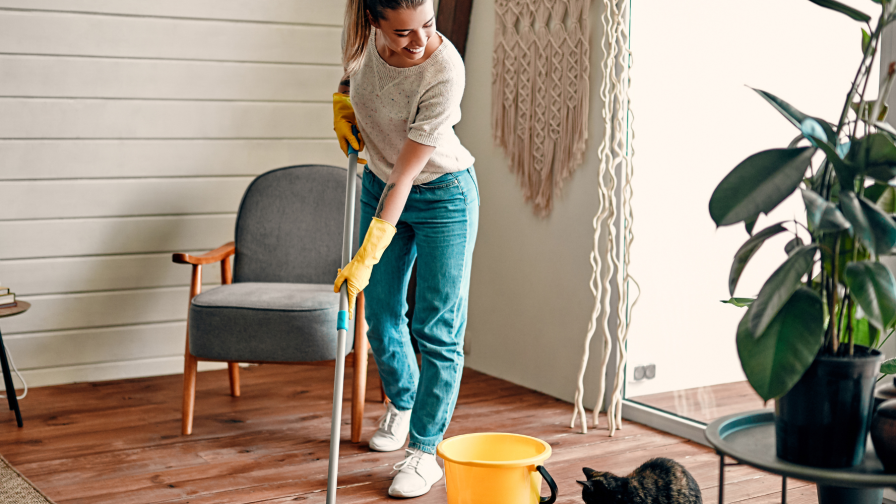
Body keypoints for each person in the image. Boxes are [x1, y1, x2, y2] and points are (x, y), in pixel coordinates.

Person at [332, 0, 479, 498]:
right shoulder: (361, 40)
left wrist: (366, 255)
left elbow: (407, 174)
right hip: (378, 183)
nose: (419, 42)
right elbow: (353, 80)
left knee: (436, 327)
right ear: (375, 22)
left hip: (442, 195)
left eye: (429, 26)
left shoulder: (445, 69)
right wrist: (342, 105)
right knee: (382, 315)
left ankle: (425, 449)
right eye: (402, 33)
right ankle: (404, 399)